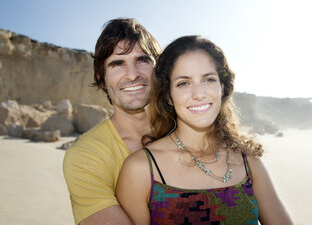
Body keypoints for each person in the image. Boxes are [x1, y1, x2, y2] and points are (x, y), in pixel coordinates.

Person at [116, 35, 293, 224]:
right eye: (183, 83)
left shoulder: (248, 161)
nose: (199, 94)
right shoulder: (141, 170)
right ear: (168, 96)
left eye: (208, 79)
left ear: (222, 87)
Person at [63, 18, 161, 225]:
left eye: (143, 60)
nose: (133, 75)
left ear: (158, 70)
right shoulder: (85, 155)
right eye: (117, 64)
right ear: (101, 78)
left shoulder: (188, 133)